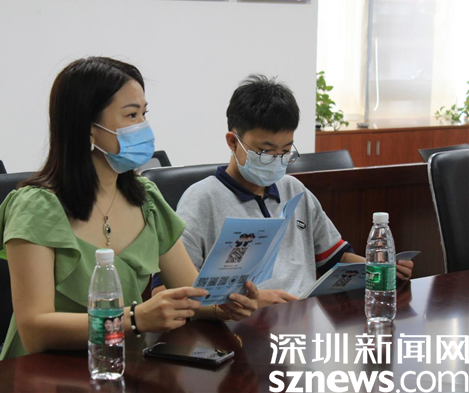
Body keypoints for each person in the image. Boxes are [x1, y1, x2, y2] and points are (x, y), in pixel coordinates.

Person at [0, 57, 259, 360]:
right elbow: (35, 332)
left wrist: (223, 306)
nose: (143, 127)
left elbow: (192, 293)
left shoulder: (146, 200)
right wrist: (133, 319)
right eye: (131, 115)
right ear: (87, 129)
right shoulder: (35, 207)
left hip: (119, 362)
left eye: (144, 114)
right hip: (43, 370)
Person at [151, 74, 413, 306]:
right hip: (239, 324)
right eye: (265, 151)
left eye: (285, 151)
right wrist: (247, 302)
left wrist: (379, 268)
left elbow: (335, 258)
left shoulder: (294, 190)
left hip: (303, 316)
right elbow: (166, 291)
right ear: (233, 142)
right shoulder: (202, 200)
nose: (277, 160)